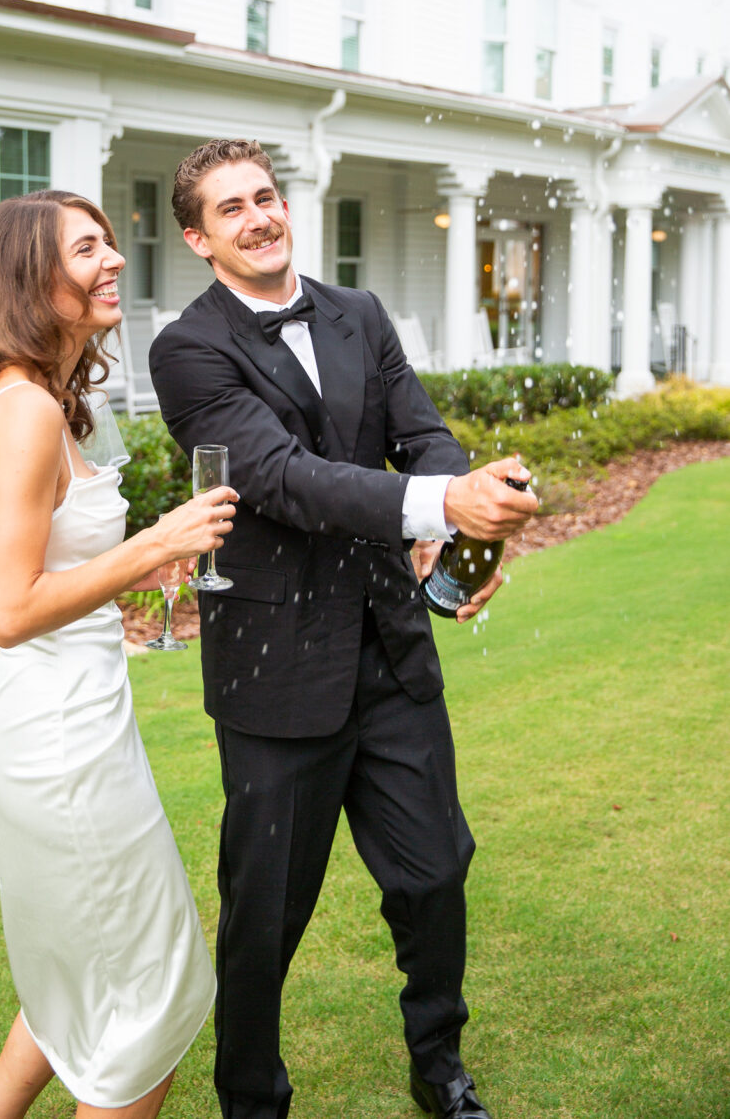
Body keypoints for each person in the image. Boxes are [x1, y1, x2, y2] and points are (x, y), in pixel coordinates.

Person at [148, 141, 538, 1119]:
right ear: (199, 237)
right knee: (266, 911)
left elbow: (425, 433)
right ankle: (251, 1098)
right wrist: (435, 498)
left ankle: (439, 1066)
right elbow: (280, 479)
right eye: (230, 208)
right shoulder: (188, 352)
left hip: (393, 653)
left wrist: (448, 527)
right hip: (275, 677)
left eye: (266, 197)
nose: (259, 217)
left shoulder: (359, 314)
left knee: (436, 869)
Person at [0, 190, 237, 1119]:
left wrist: (140, 570)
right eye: (86, 251)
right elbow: (12, 611)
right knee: (147, 1006)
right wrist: (155, 546)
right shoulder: (21, 412)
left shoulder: (38, 401)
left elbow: (56, 571)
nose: (113, 261)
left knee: (72, 982)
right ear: (30, 277)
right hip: (61, 736)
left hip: (78, 719)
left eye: (110, 244)